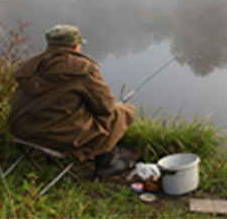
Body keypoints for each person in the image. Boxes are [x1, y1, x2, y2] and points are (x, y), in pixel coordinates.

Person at [7, 24, 138, 177]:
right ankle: (106, 162)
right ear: (76, 46)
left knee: (54, 111)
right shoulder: (83, 69)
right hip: (59, 138)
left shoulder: (28, 66)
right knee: (122, 111)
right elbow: (106, 107)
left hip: (23, 130)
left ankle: (51, 157)